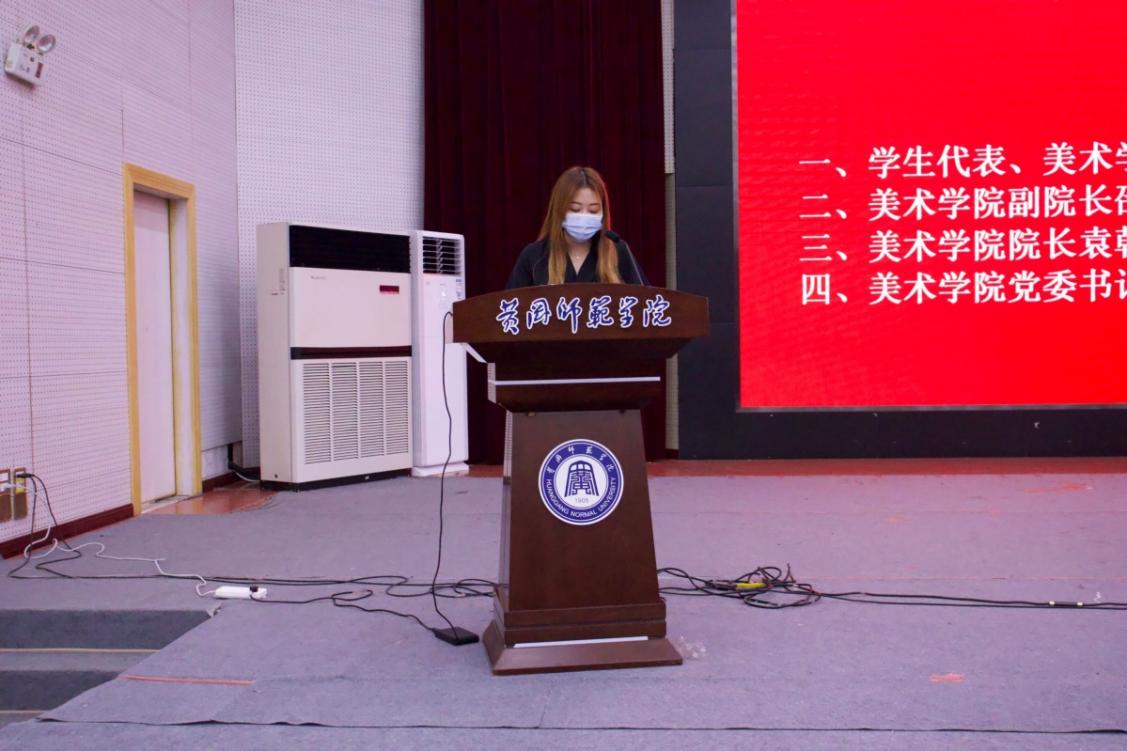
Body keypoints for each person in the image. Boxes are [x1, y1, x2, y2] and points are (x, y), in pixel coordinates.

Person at [505, 166, 647, 289]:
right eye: (575, 209)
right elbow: (510, 307)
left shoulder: (618, 252)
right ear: (559, 210)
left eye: (593, 210)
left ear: (603, 213)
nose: (584, 216)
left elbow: (646, 303)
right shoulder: (534, 256)